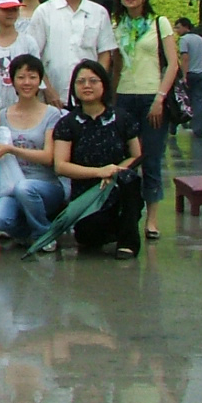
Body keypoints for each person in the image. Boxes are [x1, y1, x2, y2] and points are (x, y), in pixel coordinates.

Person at [110, 0, 178, 241]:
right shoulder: (116, 27)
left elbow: (173, 63)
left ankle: (151, 219)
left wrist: (160, 97)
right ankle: (124, 214)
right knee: (124, 159)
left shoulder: (159, 23)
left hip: (152, 97)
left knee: (151, 158)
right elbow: (115, 67)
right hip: (125, 97)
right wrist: (111, 101)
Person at [53, 60, 143, 259]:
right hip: (88, 192)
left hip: (117, 186)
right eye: (81, 81)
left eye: (93, 81)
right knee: (89, 237)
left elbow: (136, 155)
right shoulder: (67, 123)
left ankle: (128, 243)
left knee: (130, 180)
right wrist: (99, 172)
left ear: (104, 84)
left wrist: (113, 171)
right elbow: (60, 165)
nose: (87, 86)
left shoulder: (122, 118)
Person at [0, 54, 66, 251]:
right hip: (12, 187)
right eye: (21, 77)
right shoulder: (2, 115)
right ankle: (29, 234)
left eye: (32, 77)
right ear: (12, 81)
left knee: (25, 188)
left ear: (40, 81)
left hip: (46, 187)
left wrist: (12, 149)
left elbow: (49, 157)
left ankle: (44, 234)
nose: (27, 82)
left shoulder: (52, 114)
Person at [26, 0, 116, 106]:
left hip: (89, 99)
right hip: (54, 98)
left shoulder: (99, 13)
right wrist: (47, 89)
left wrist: (97, 85)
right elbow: (34, 55)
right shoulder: (45, 11)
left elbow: (104, 54)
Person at [0, 0, 41, 110]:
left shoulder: (28, 42)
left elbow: (37, 76)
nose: (10, 13)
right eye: (5, 9)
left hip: (25, 109)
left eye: (14, 9)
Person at [174, 17, 202, 138]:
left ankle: (173, 127)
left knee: (179, 100)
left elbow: (185, 58)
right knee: (198, 101)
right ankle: (199, 129)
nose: (176, 30)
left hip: (189, 74)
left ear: (185, 26)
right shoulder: (200, 39)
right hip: (200, 73)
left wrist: (184, 75)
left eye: (178, 27)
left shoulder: (184, 39)